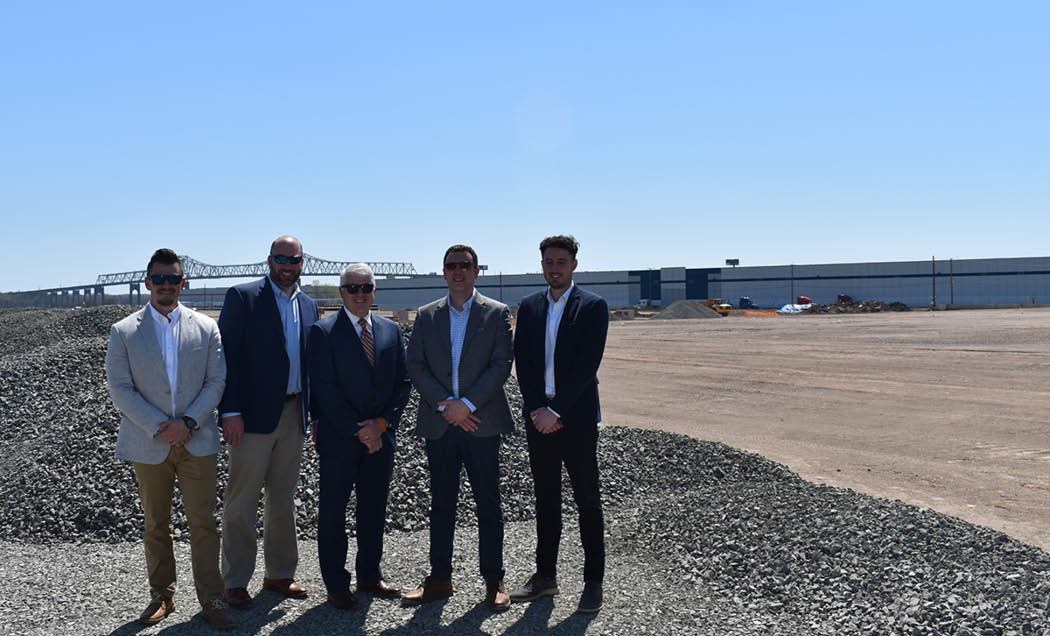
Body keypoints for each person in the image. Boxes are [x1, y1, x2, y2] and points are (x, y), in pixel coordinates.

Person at [105, 248, 234, 629]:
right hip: (149, 442)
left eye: (172, 279)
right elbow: (120, 388)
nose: (165, 285)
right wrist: (164, 425)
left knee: (204, 523)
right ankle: (162, 594)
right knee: (155, 523)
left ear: (183, 283)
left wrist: (189, 421)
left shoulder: (206, 327)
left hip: (198, 440)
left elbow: (217, 380)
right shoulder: (124, 331)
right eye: (158, 279)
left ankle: (211, 597)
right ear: (147, 282)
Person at [401, 245, 514, 611]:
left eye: (465, 265)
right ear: (444, 272)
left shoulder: (496, 314)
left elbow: (501, 365)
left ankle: (494, 581)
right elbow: (415, 364)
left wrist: (466, 405)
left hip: (480, 422)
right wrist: (447, 406)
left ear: (477, 270)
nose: (458, 271)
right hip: (441, 424)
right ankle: (440, 579)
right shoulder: (427, 315)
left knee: (488, 503)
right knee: (442, 503)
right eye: (451, 266)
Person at [217, 235, 319, 608]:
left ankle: (279, 574)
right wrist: (230, 412)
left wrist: (314, 415)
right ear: (269, 260)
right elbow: (228, 357)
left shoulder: (308, 305)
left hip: (294, 413)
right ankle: (235, 580)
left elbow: (311, 365)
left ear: (302, 263)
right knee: (241, 501)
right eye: (281, 258)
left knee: (283, 499)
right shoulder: (243, 297)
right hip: (251, 416)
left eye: (294, 259)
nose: (287, 265)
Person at [511, 235, 610, 613]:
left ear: (574, 265)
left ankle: (593, 582)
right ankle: (545, 578)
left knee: (588, 501)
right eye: (549, 261)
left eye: (561, 261)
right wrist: (537, 408)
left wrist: (558, 411)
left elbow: (588, 365)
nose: (554, 267)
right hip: (539, 420)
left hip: (577, 419)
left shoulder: (593, 307)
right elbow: (525, 363)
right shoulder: (530, 307)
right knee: (546, 500)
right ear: (542, 265)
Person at [308, 263, 411, 610]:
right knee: (334, 513)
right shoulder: (322, 332)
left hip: (382, 437)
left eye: (366, 287)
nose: (360, 294)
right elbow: (324, 390)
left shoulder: (390, 331)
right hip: (340, 440)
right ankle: (336, 583)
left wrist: (381, 425)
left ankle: (369, 574)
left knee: (373, 509)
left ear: (374, 291)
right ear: (341, 293)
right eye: (353, 288)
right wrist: (362, 430)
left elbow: (403, 384)